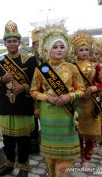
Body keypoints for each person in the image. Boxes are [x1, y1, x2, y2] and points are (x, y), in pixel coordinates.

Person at [30, 25, 85, 177]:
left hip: (67, 115)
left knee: (66, 156)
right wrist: (47, 97)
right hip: (48, 115)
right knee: (50, 154)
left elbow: (81, 89)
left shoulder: (72, 68)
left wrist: (70, 96)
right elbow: (33, 91)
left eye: (62, 46)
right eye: (55, 46)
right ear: (48, 49)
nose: (59, 49)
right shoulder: (41, 69)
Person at [0, 20, 38, 177]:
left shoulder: (29, 59)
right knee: (8, 139)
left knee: (24, 139)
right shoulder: (0, 61)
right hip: (6, 105)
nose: (12, 44)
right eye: (9, 41)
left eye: (14, 41)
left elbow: (36, 82)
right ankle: (9, 164)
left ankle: (24, 167)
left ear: (19, 42)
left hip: (23, 105)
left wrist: (23, 87)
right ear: (5, 43)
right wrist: (2, 80)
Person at [70, 32, 102, 168]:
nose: (84, 52)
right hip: (77, 102)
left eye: (86, 49)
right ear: (76, 51)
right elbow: (69, 84)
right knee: (77, 130)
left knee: (90, 132)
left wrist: (93, 88)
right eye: (81, 50)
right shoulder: (70, 66)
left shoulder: (96, 66)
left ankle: (88, 158)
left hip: (91, 102)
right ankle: (79, 154)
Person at [29, 28, 43, 154]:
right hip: (33, 96)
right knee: (33, 122)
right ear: (33, 46)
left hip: (47, 96)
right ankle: (34, 145)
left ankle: (47, 144)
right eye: (36, 44)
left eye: (41, 44)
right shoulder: (30, 60)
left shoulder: (49, 60)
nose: (39, 47)